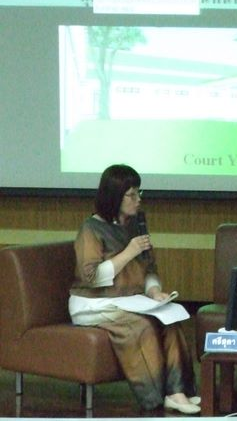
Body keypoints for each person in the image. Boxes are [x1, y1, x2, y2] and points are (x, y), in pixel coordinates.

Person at [68, 164, 199, 414]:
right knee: (142, 327)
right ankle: (154, 398)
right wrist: (129, 251)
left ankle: (177, 392)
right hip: (94, 303)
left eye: (139, 193)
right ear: (114, 197)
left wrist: (154, 291)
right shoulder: (91, 228)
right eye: (131, 194)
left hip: (130, 299)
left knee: (170, 320)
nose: (138, 199)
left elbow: (149, 267)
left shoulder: (136, 223)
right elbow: (91, 277)